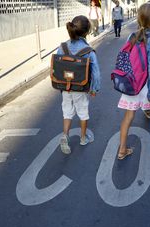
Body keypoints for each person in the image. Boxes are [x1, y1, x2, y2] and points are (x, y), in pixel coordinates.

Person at [117, 2, 150, 160]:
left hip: (132, 83)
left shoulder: (132, 36)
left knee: (128, 116)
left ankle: (122, 150)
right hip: (146, 85)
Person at [57, 15, 101, 154]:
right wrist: (94, 89)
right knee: (83, 113)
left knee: (67, 112)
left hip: (65, 87)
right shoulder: (88, 51)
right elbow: (96, 73)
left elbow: (58, 66)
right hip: (80, 88)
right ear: (87, 32)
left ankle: (65, 135)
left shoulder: (62, 47)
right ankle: (83, 138)